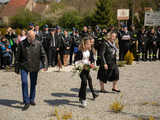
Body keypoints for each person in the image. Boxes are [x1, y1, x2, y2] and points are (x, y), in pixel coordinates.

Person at [15, 30, 48, 111]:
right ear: (27, 36)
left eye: (34, 37)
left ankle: (32, 99)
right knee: (24, 82)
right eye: (31, 37)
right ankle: (26, 101)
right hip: (24, 66)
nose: (32, 39)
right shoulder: (21, 43)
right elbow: (17, 56)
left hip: (34, 65)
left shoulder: (38, 43)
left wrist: (45, 65)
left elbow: (43, 54)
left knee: (33, 83)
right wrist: (16, 68)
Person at [75, 37, 98, 107]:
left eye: (90, 44)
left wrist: (93, 64)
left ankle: (80, 96)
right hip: (81, 69)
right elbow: (76, 61)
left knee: (84, 82)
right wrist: (81, 65)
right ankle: (84, 99)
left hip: (87, 68)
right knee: (84, 82)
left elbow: (91, 59)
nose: (90, 45)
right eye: (88, 44)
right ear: (84, 44)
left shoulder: (89, 51)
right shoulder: (79, 52)